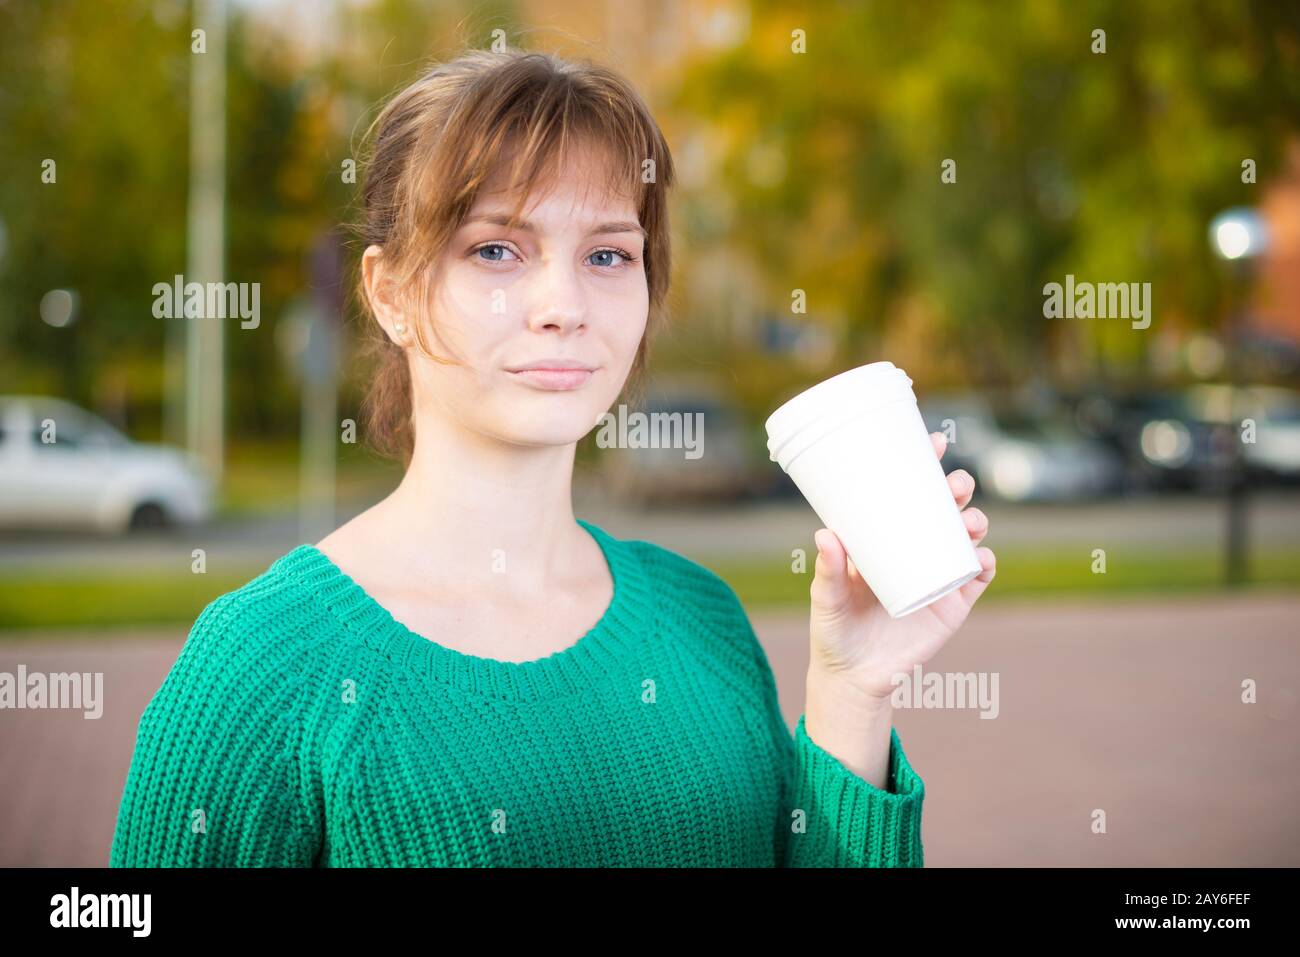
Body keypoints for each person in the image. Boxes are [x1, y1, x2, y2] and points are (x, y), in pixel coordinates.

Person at [110, 47, 995, 868]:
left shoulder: (704, 620)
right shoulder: (264, 665)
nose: (564, 304)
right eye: (497, 250)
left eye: (609, 253)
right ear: (390, 295)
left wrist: (851, 688)